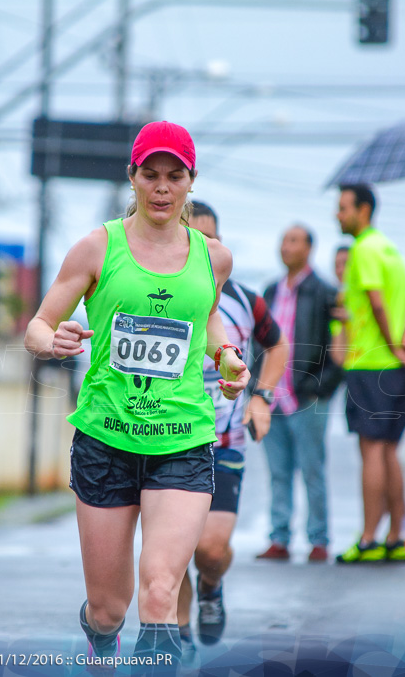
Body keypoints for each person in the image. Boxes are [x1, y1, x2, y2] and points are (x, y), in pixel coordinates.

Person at [23, 121, 249, 668]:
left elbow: (208, 317)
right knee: (109, 608)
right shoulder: (97, 247)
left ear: (190, 182)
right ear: (133, 177)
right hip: (107, 439)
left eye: (175, 176)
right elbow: (37, 324)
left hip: (183, 438)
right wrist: (49, 341)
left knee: (160, 593)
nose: (163, 187)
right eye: (151, 175)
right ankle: (100, 635)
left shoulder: (213, 257)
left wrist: (226, 356)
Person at [175, 201, 289, 653]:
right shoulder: (156, 291)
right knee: (173, 549)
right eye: (193, 241)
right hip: (167, 439)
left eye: (211, 242)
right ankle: (177, 630)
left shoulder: (245, 300)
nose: (203, 252)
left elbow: (277, 348)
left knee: (210, 550)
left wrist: (261, 397)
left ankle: (211, 585)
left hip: (224, 442)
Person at [333, 183, 405, 564]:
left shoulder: (364, 249)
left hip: (370, 364)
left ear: (363, 210)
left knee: (371, 451)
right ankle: (397, 536)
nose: (338, 215)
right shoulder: (390, 249)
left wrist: (392, 344)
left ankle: (368, 539)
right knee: (388, 451)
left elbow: (376, 302)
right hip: (397, 369)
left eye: (344, 208)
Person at [255, 225, 340, 563]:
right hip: (273, 394)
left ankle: (318, 539)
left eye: (293, 241)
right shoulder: (272, 290)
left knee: (312, 469)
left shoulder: (324, 292)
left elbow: (339, 345)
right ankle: (279, 538)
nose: (285, 247)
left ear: (309, 248)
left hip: (307, 397)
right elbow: (258, 339)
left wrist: (321, 387)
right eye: (283, 240)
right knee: (278, 472)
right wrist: (256, 386)